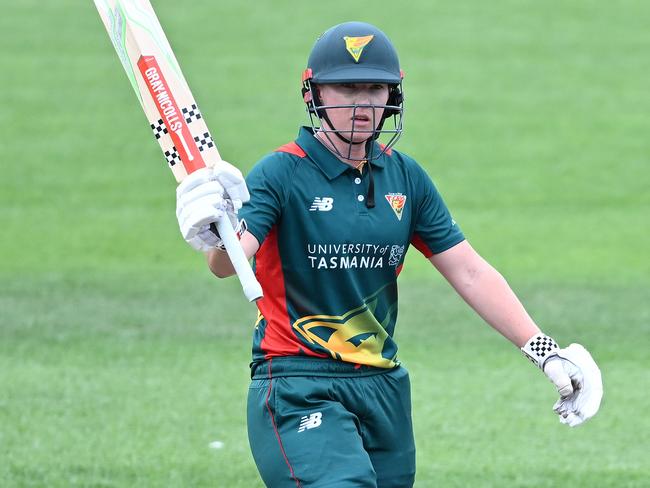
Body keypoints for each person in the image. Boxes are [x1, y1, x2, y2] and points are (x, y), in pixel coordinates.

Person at [175, 21, 603, 488]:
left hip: (383, 389)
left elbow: (470, 271)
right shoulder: (280, 172)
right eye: (346, 87)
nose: (363, 102)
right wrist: (215, 233)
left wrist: (546, 354)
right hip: (298, 382)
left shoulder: (406, 177)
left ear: (393, 95)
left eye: (375, 87)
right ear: (313, 94)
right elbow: (228, 265)